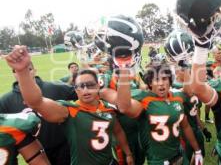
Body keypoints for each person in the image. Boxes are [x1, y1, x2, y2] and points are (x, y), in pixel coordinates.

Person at [5, 45, 133, 165]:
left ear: (98, 86)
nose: (85, 90)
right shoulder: (70, 111)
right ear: (75, 90)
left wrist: (128, 153)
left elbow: (118, 131)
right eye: (80, 86)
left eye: (90, 85)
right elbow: (36, 102)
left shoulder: (108, 108)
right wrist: (22, 72)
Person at [116, 63, 203, 165]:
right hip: (158, 160)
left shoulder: (177, 97)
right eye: (157, 80)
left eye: (164, 79)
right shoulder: (144, 99)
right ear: (150, 83)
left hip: (179, 154)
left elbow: (186, 126)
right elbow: (124, 107)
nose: (161, 83)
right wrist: (123, 69)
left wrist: (197, 150)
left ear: (170, 81)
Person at [0, 61, 77, 165]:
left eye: (29, 69)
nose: (23, 73)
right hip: (32, 153)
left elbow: (81, 94)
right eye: (16, 71)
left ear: (35, 71)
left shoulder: (54, 87)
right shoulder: (6, 101)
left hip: (63, 149)